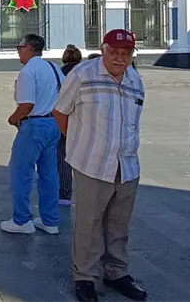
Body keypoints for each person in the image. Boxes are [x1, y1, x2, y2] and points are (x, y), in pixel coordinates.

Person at [53, 29, 148, 302]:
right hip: (92, 163)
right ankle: (85, 276)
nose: (120, 59)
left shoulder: (135, 80)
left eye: (126, 54)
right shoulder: (83, 75)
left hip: (127, 165)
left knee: (119, 224)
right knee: (89, 223)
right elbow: (60, 112)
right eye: (114, 53)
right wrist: (79, 142)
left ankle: (117, 271)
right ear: (104, 49)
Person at [1, 34, 63, 235]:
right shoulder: (55, 69)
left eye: (19, 47)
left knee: (21, 173)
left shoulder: (28, 71)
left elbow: (27, 104)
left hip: (34, 125)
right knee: (49, 173)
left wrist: (13, 118)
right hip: (53, 123)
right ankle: (50, 220)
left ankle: (22, 220)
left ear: (28, 48)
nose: (18, 51)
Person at [58, 44, 82, 205]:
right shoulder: (85, 72)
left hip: (65, 117)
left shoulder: (61, 72)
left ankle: (65, 193)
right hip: (83, 119)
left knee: (63, 158)